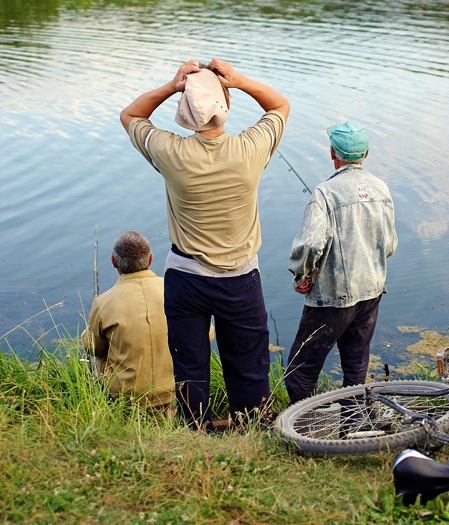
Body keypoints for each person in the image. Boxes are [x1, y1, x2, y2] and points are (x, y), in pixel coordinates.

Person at [120, 58, 290, 430]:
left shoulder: (171, 152)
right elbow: (279, 105)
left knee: (190, 364)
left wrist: (173, 85)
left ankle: (194, 428)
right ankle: (252, 427)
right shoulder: (251, 148)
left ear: (186, 113)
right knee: (248, 363)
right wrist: (239, 79)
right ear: (225, 105)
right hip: (241, 279)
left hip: (186, 278)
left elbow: (131, 115)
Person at [285, 122, 397, 404]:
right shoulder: (381, 189)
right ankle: (352, 428)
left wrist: (304, 275)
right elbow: (391, 245)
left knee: (301, 370)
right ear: (367, 153)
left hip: (332, 298)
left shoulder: (326, 193)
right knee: (356, 368)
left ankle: (305, 431)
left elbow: (310, 244)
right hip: (371, 293)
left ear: (332, 153)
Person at [81, 231, 173, 412]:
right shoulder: (175, 291)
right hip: (174, 389)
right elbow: (205, 335)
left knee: (98, 355)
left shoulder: (103, 303)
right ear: (151, 259)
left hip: (125, 396)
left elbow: (94, 348)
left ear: (114, 262)